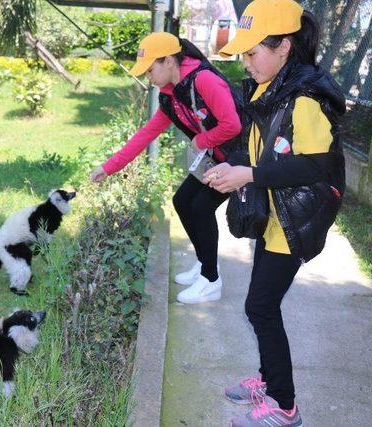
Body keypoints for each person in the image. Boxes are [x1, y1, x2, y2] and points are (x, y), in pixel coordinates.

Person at [203, 1, 345, 425]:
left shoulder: (305, 97)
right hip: (275, 212)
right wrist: (234, 165)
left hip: (296, 217)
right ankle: (268, 379)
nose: (246, 62)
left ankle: (284, 405)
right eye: (244, 54)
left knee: (260, 307)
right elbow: (261, 148)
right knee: (261, 304)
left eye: (252, 52)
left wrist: (248, 174)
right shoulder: (270, 88)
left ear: (283, 46)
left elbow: (319, 164)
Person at [90, 32, 242, 304]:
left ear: (169, 61)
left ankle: (211, 280)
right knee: (182, 201)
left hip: (241, 157)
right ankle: (205, 263)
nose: (148, 76)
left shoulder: (203, 80)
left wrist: (200, 140)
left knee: (201, 206)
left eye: (150, 69)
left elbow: (233, 125)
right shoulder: (170, 96)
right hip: (216, 157)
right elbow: (146, 134)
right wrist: (109, 167)